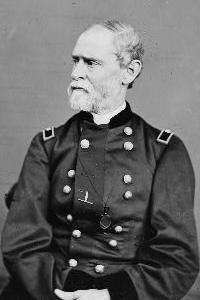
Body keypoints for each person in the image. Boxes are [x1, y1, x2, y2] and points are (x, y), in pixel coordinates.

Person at [1, 19, 199, 300]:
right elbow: (21, 243)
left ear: (129, 72)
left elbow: (177, 258)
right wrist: (69, 289)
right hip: (50, 290)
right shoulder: (47, 145)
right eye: (75, 61)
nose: (75, 73)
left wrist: (110, 295)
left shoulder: (164, 151)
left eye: (90, 63)